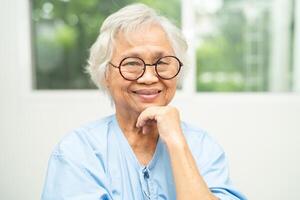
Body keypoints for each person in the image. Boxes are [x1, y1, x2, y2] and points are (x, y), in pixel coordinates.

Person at [42, 3, 246, 200]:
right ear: (106, 74)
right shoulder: (78, 152)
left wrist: (177, 143)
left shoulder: (202, 147)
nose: (149, 77)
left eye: (162, 62)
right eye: (131, 63)